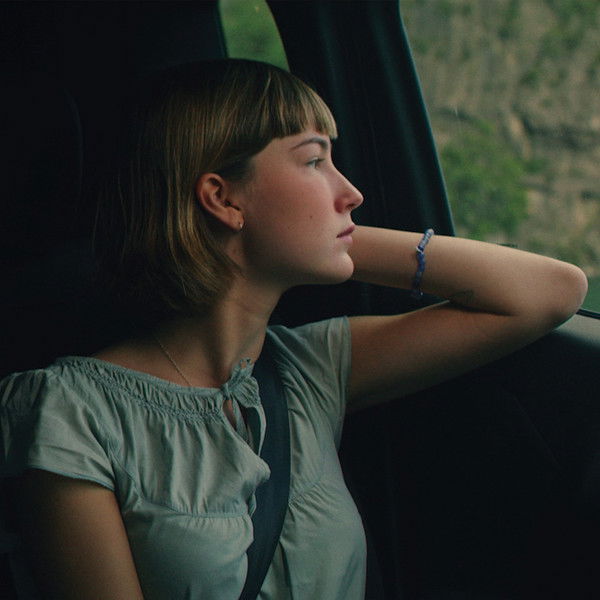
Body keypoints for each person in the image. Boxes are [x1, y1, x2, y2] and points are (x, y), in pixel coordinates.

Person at [0, 59, 587, 599]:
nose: (351, 193)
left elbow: (549, 292)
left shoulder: (310, 369)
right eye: (314, 161)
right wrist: (294, 236)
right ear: (222, 198)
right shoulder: (71, 412)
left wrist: (329, 237)